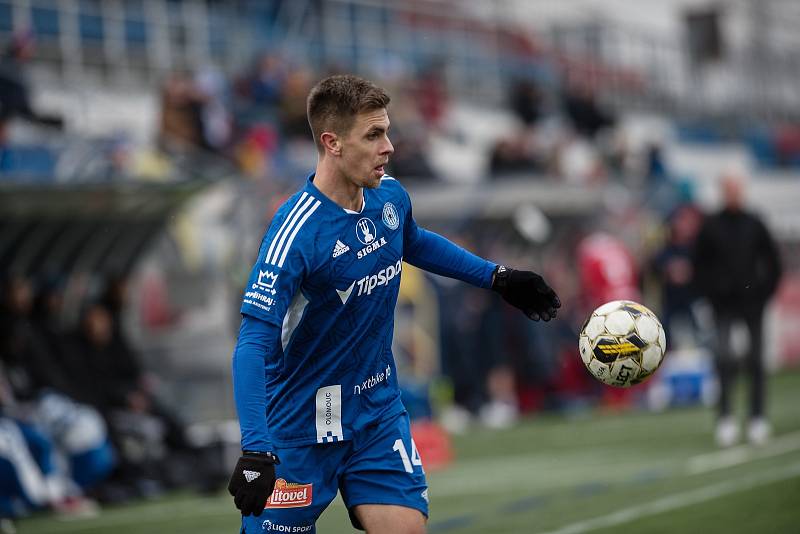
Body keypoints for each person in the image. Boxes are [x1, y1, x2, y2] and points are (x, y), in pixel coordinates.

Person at [227, 74, 561, 533]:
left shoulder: (389, 196)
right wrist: (255, 448)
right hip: (301, 426)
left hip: (376, 414)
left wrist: (497, 277)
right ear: (332, 143)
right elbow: (252, 342)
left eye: (387, 130)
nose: (389, 146)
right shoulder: (295, 232)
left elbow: (414, 242)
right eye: (373, 135)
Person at [692, 174, 782, 447]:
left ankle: (757, 418)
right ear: (722, 191)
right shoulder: (711, 225)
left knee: (755, 360)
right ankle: (726, 418)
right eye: (728, 189)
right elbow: (699, 264)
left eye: (736, 189)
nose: (732, 194)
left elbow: (772, 262)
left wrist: (763, 293)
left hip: (752, 304)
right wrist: (711, 294)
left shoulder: (755, 222)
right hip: (723, 305)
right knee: (723, 360)